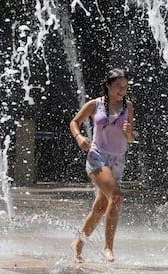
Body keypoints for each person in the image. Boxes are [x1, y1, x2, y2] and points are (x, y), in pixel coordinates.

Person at [69, 68, 135, 263]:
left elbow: (130, 139)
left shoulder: (128, 106)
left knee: (100, 207)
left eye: (125, 87)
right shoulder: (94, 104)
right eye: (118, 86)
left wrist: (130, 132)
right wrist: (79, 137)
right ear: (107, 85)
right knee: (116, 197)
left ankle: (78, 244)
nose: (122, 90)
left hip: (118, 159)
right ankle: (108, 247)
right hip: (97, 156)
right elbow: (74, 122)